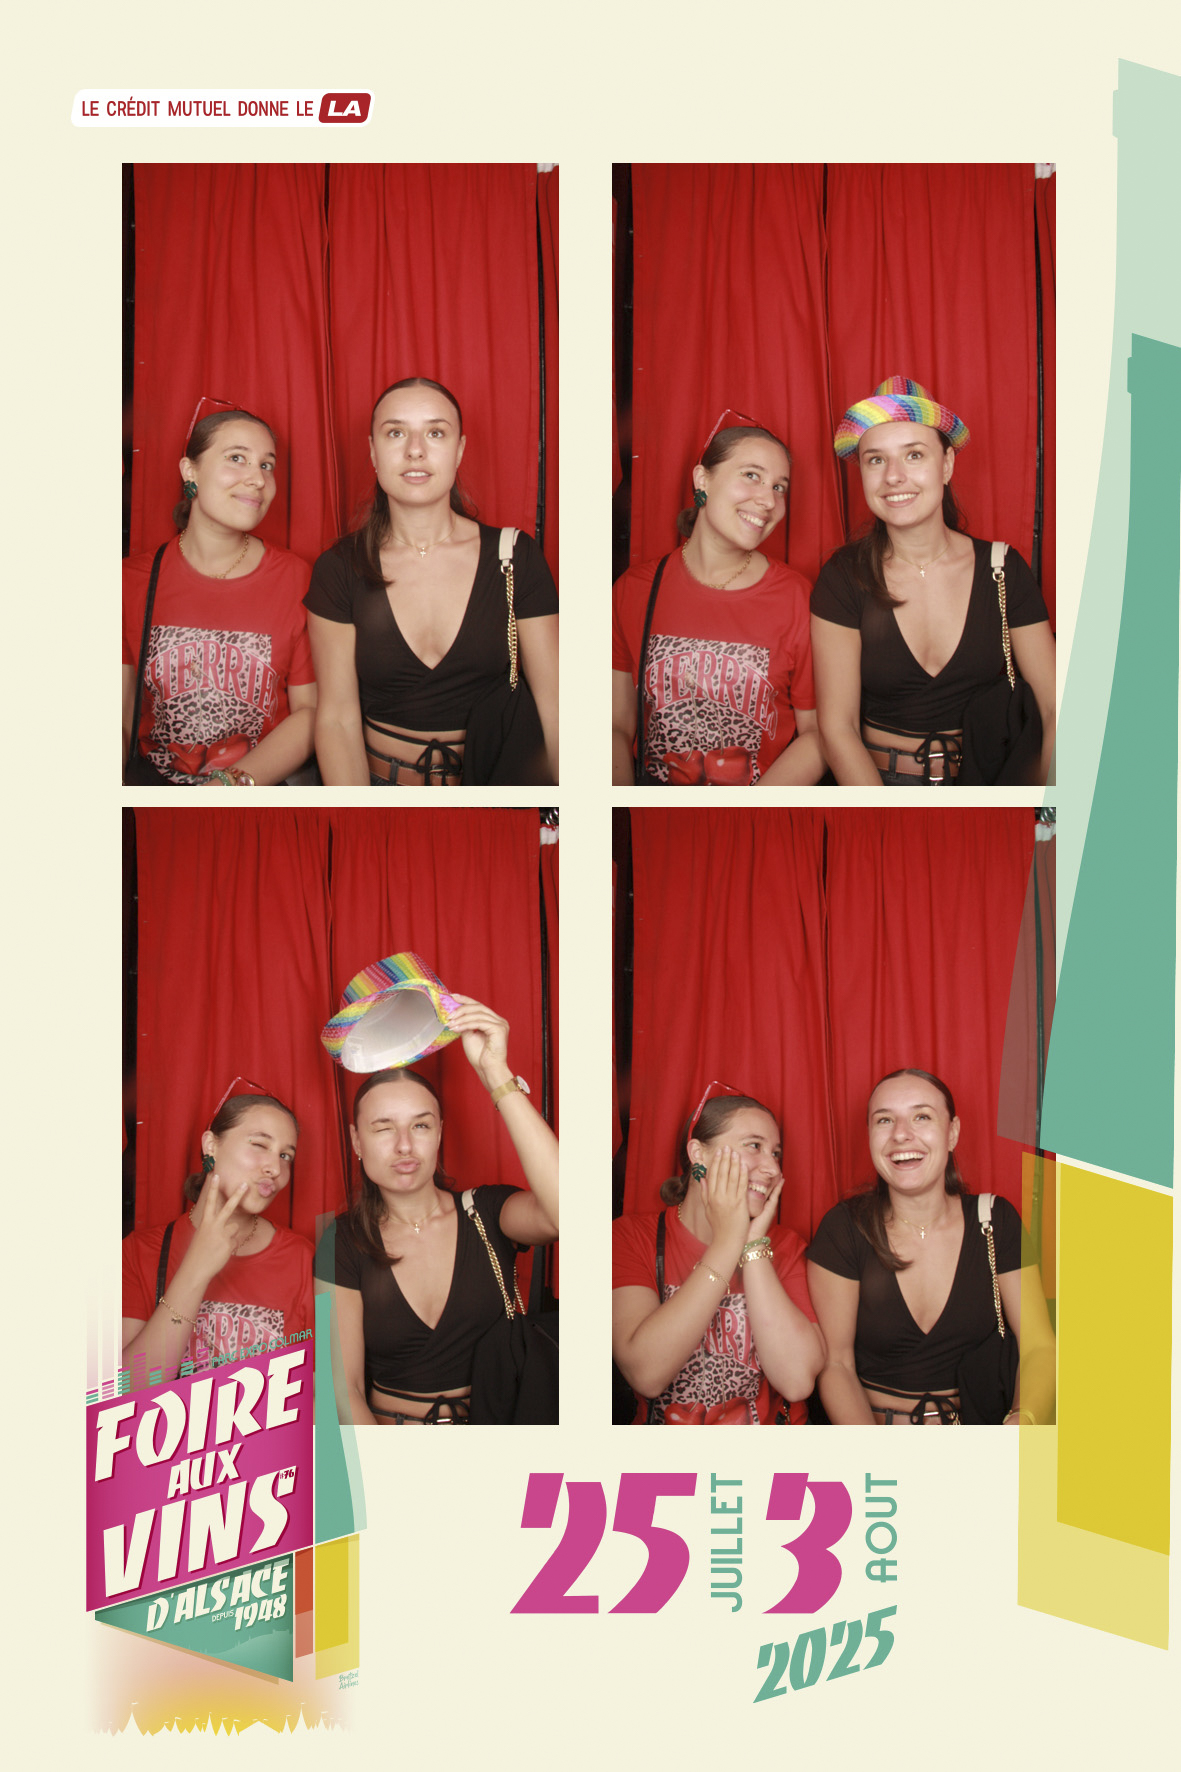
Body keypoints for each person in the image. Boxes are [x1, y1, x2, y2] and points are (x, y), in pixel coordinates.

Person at [305, 378, 559, 786]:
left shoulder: (515, 557)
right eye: (395, 432)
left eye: (436, 433)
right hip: (380, 793)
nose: (415, 450)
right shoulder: (338, 568)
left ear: (459, 450)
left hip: (497, 793)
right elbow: (337, 718)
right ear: (373, 451)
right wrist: (362, 815)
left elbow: (555, 704)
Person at [319, 998, 559, 1424]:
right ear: (356, 1141)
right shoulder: (341, 1241)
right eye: (383, 1128)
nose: (405, 1145)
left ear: (440, 1133)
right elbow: (343, 1390)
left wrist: (496, 1073)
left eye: (421, 1125)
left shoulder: (487, 1211)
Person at [810, 377, 1056, 785]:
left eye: (914, 455)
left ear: (946, 465)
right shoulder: (843, 575)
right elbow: (838, 728)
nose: (893, 476)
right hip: (876, 784)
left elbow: (1054, 707)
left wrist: (1044, 806)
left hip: (987, 781)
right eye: (876, 460)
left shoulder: (1003, 569)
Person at [806, 1069, 1056, 1425]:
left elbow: (1039, 1345)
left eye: (921, 1117)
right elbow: (837, 1365)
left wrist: (1022, 1423)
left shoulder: (996, 1221)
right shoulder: (844, 1228)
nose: (901, 1134)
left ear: (952, 1132)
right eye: (884, 1120)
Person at [612, 418, 824, 786]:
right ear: (702, 480)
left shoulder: (796, 597)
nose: (768, 500)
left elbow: (817, 734)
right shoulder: (635, 589)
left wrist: (745, 813)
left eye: (779, 487)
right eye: (751, 475)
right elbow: (615, 724)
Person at [122, 404, 317, 785]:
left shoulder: (297, 579)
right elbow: (119, 714)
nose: (258, 479)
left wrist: (227, 786)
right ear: (189, 471)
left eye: (266, 465)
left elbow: (309, 714)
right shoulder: (129, 581)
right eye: (236, 458)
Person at [612, 1088, 824, 1423]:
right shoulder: (631, 1237)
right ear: (699, 1154)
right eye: (753, 1146)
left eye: (776, 1153)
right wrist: (727, 1242)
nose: (772, 1168)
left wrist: (753, 1247)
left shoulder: (785, 1246)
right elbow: (646, 1375)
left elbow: (796, 1383)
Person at [121, 1087, 313, 1390]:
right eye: (259, 1144)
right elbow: (126, 1392)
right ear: (211, 1145)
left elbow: (318, 1393)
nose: (275, 1168)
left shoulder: (302, 1258)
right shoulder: (136, 1252)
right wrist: (196, 1269)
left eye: (285, 1155)